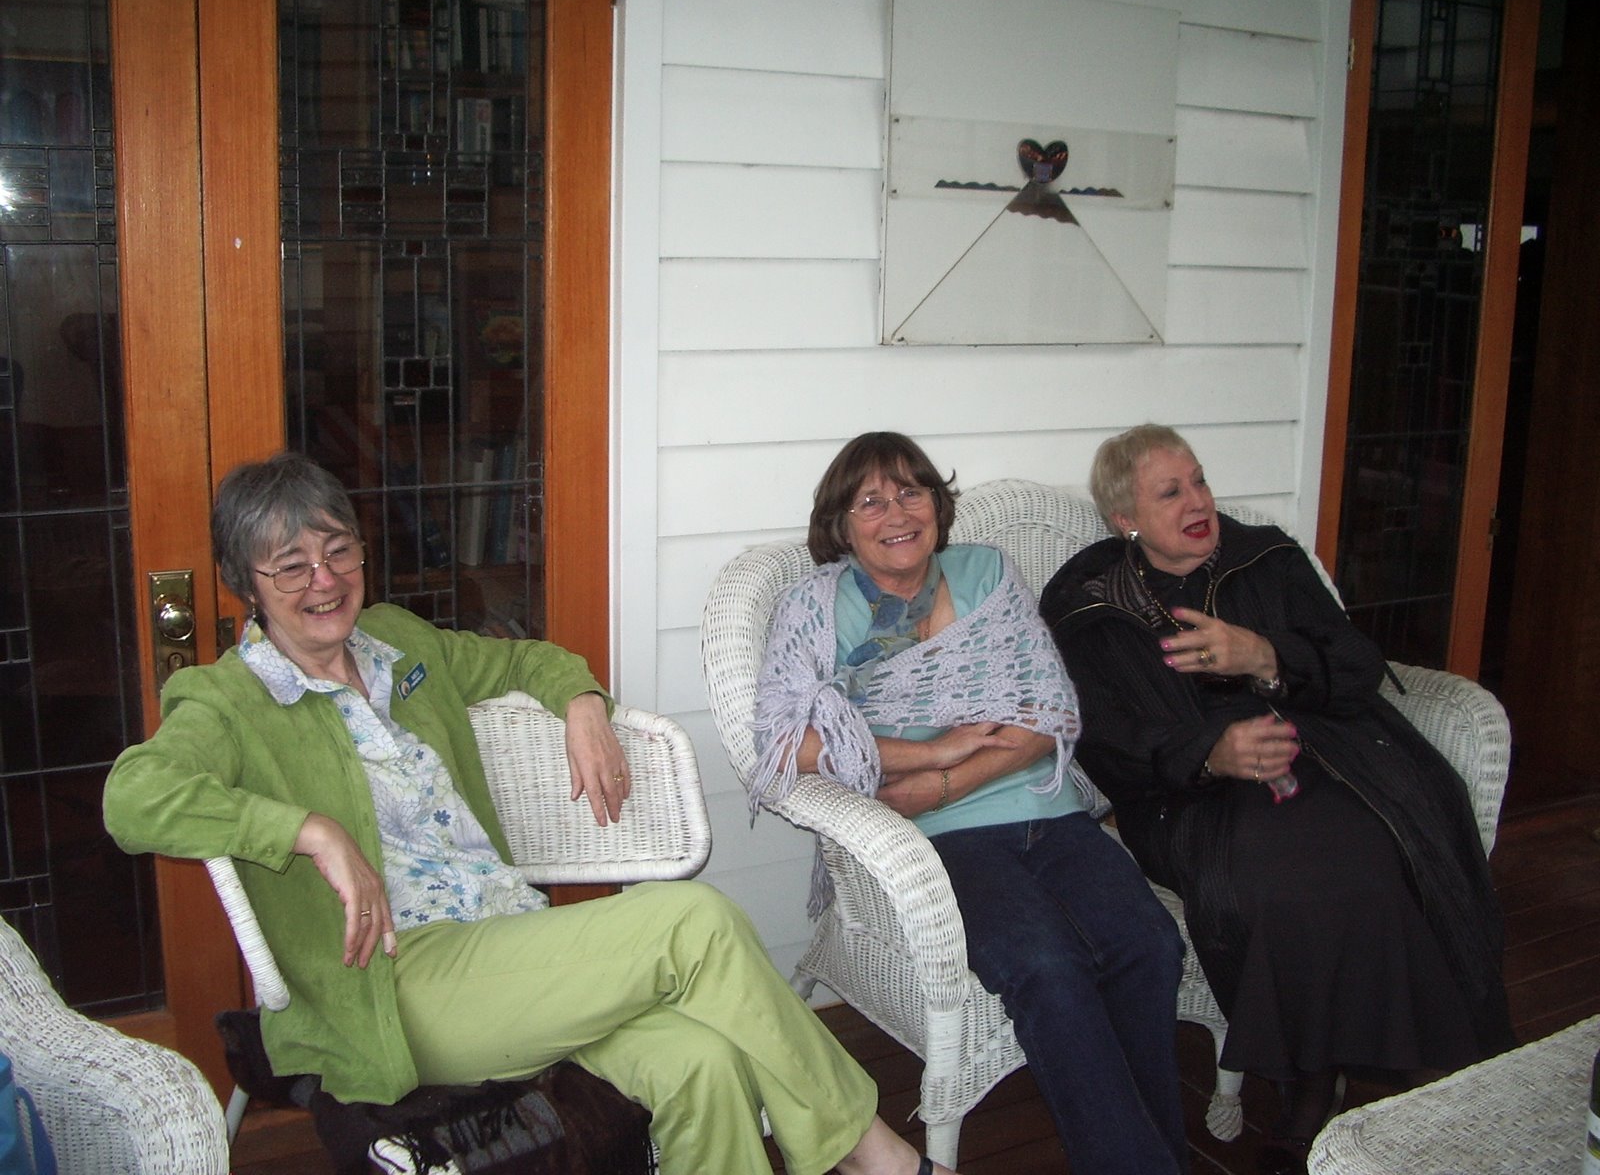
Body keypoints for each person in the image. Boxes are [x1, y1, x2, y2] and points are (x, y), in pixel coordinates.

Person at [102, 451, 957, 1175]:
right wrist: (308, 831)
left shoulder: (397, 642)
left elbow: (526, 661)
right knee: (691, 922)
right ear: (244, 585)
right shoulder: (226, 699)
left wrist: (581, 701)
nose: (324, 581)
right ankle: (872, 1154)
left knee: (701, 1063)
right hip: (395, 989)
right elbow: (134, 798)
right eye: (290, 566)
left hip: (508, 941)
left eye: (339, 551)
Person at [1038, 425, 1515, 1175]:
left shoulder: (1265, 557)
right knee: (1273, 872)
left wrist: (1265, 657)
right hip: (1190, 797)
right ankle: (1313, 1077)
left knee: (1370, 846)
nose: (1199, 501)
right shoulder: (1088, 604)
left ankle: (1399, 1061)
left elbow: (1356, 666)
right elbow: (1102, 737)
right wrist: (1210, 753)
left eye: (1199, 480)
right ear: (1125, 518)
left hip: (1333, 757)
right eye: (1171, 492)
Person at [752, 431, 1190, 1175]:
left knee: (1149, 944)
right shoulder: (817, 608)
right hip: (937, 844)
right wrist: (933, 751)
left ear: (937, 503)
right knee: (1047, 967)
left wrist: (939, 783)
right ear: (841, 525)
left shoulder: (986, 571)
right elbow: (788, 742)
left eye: (911, 491)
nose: (897, 513)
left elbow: (1048, 710)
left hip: (1043, 811)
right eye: (871, 501)